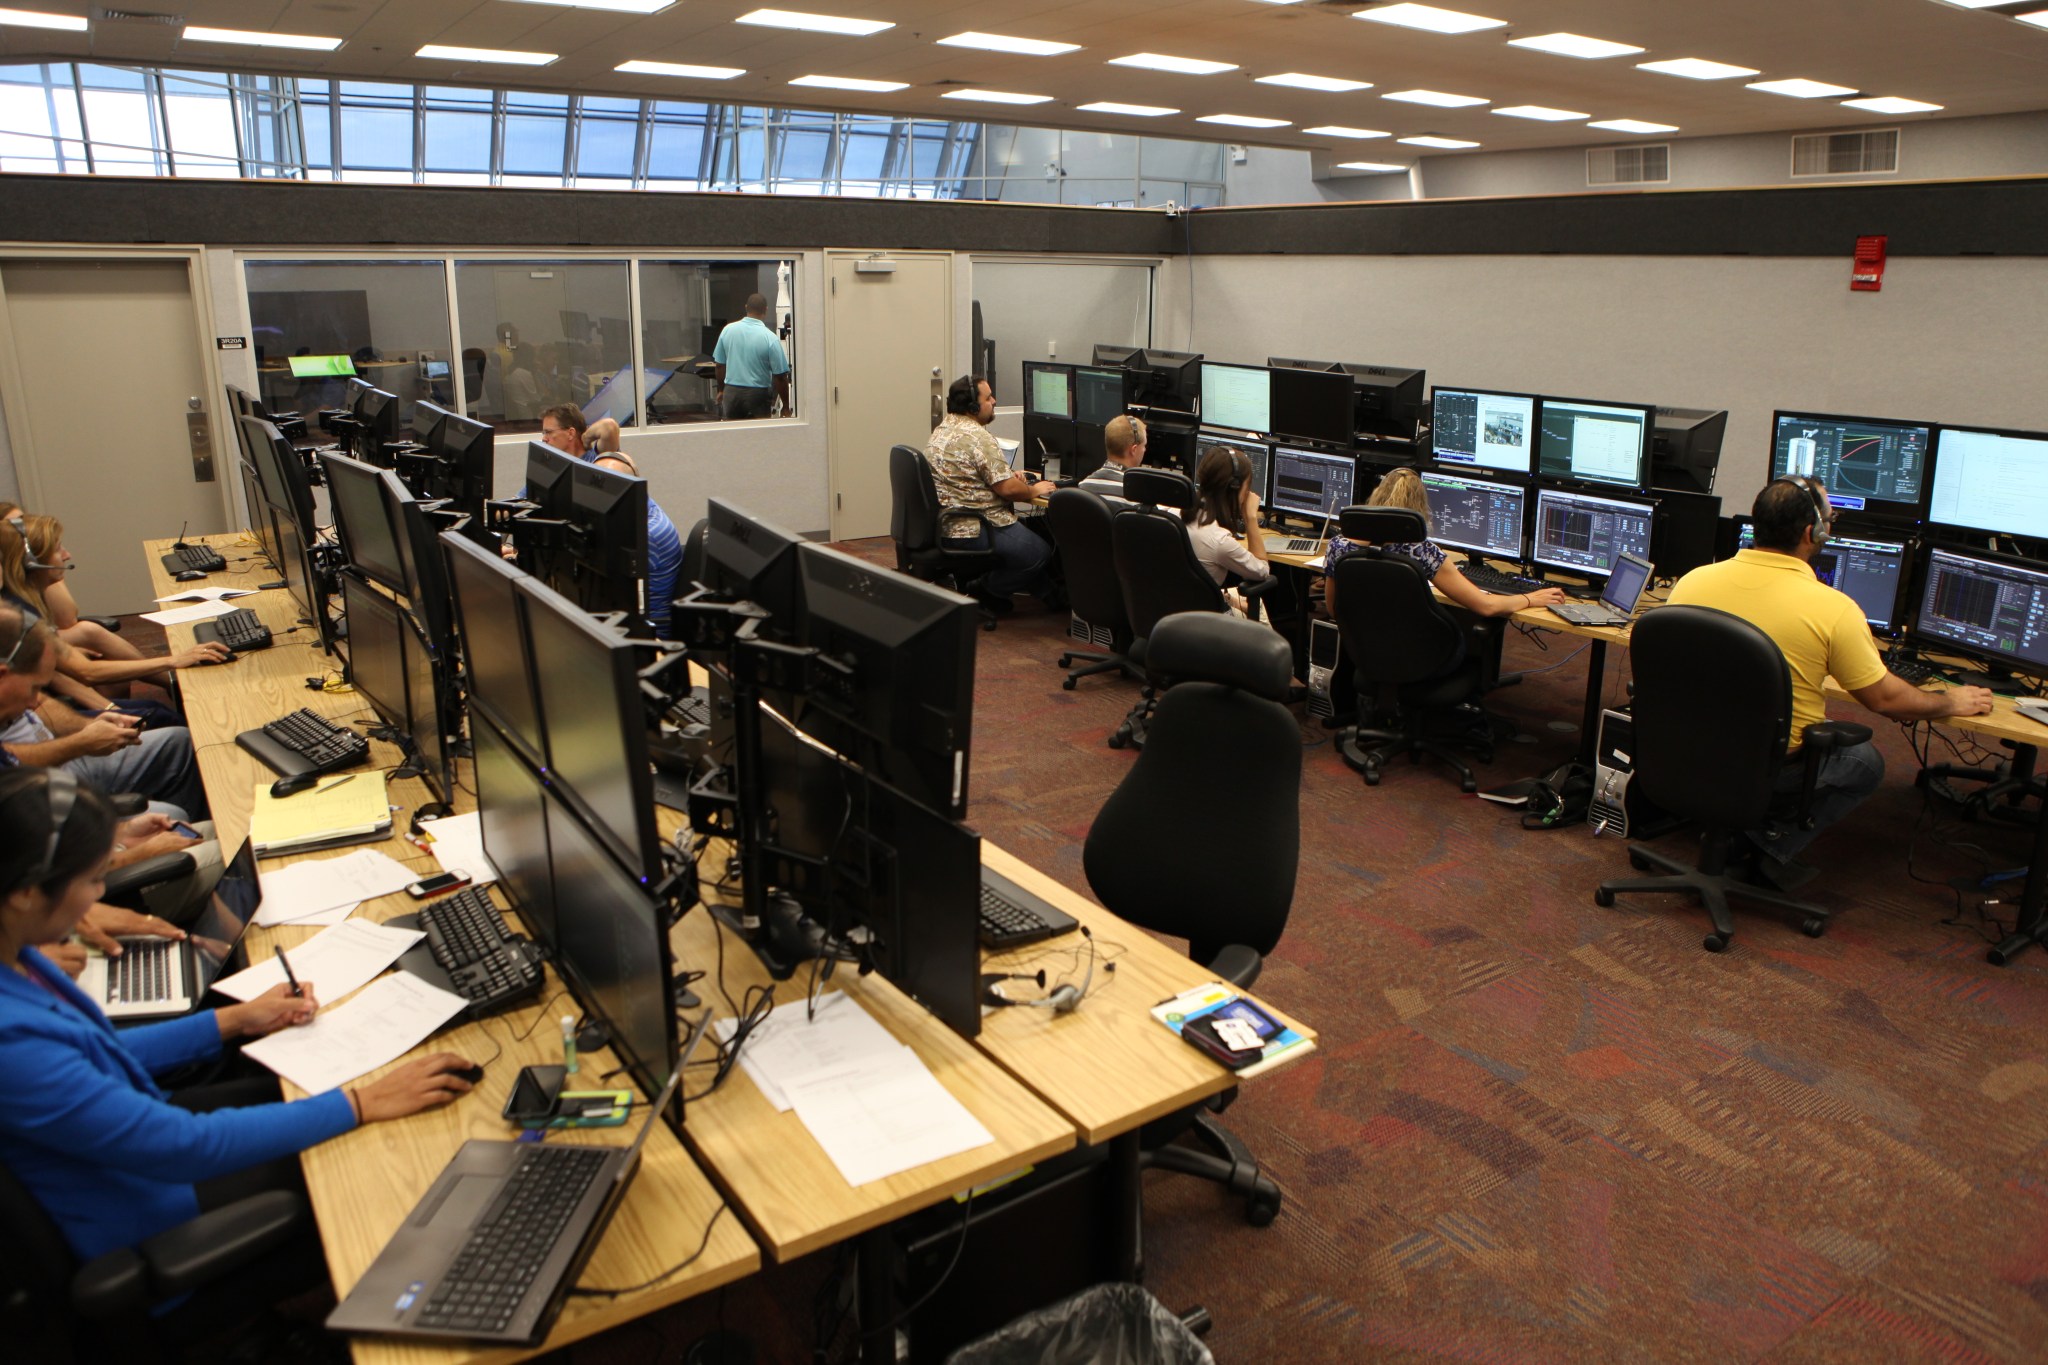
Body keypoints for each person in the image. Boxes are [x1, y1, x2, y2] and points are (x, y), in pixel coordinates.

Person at [0, 767, 476, 1281]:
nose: (98, 896)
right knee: (390, 1163)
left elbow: (101, 1051)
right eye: (92, 879)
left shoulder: (19, 956)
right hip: (152, 1213)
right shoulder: (12, 1042)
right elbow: (183, 1147)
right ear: (26, 892)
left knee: (296, 1092)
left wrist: (237, 1019)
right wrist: (362, 1103)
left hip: (137, 1146)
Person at [1667, 476, 1993, 889]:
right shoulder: (1833, 608)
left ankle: (1735, 828)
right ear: (1813, 532)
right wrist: (1947, 701)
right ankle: (1765, 847)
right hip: (1766, 767)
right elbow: (1885, 699)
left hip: (1681, 746)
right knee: (1864, 760)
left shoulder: (1693, 581)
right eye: (1830, 519)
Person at [0, 604, 210, 822]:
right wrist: (80, 743)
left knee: (178, 742)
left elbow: (43, 702)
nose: (34, 702)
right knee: (173, 817)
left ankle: (188, 836)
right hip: (30, 797)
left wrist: (87, 726)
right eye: (33, 687)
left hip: (57, 765)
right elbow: (9, 767)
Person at [1323, 466, 1568, 621]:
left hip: (1362, 649)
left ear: (1376, 496)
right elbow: (1487, 606)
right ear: (1419, 508)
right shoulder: (1422, 552)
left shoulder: (1338, 546)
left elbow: (1334, 610)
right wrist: (1530, 598)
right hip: (1415, 650)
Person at [927, 375, 1057, 609]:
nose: (994, 401)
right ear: (973, 406)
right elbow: (1008, 490)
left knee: (1029, 539)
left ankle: (1051, 596)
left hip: (946, 522)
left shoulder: (943, 429)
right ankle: (987, 589)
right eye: (988, 398)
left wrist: (1008, 474)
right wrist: (1033, 489)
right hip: (974, 526)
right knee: (1039, 552)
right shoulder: (978, 437)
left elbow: (969, 475)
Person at [593, 453, 684, 639]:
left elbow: (607, 587)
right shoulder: (635, 510)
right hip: (626, 619)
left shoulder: (647, 533)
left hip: (651, 636)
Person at [712, 293, 791, 420]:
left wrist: (722, 390)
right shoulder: (770, 338)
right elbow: (780, 376)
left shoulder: (727, 330)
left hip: (732, 393)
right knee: (759, 436)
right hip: (758, 395)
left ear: (746, 307)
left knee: (732, 434)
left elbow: (720, 365)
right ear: (765, 310)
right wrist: (786, 406)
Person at [1077, 415, 1147, 504]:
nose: (1145, 450)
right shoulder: (1137, 496)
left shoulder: (1083, 487)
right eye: (1144, 445)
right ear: (1133, 450)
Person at [537, 403, 621, 458]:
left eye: (548, 432)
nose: (544, 439)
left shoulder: (595, 458)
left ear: (570, 433)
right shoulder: (552, 467)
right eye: (544, 433)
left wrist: (585, 438)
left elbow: (609, 427)